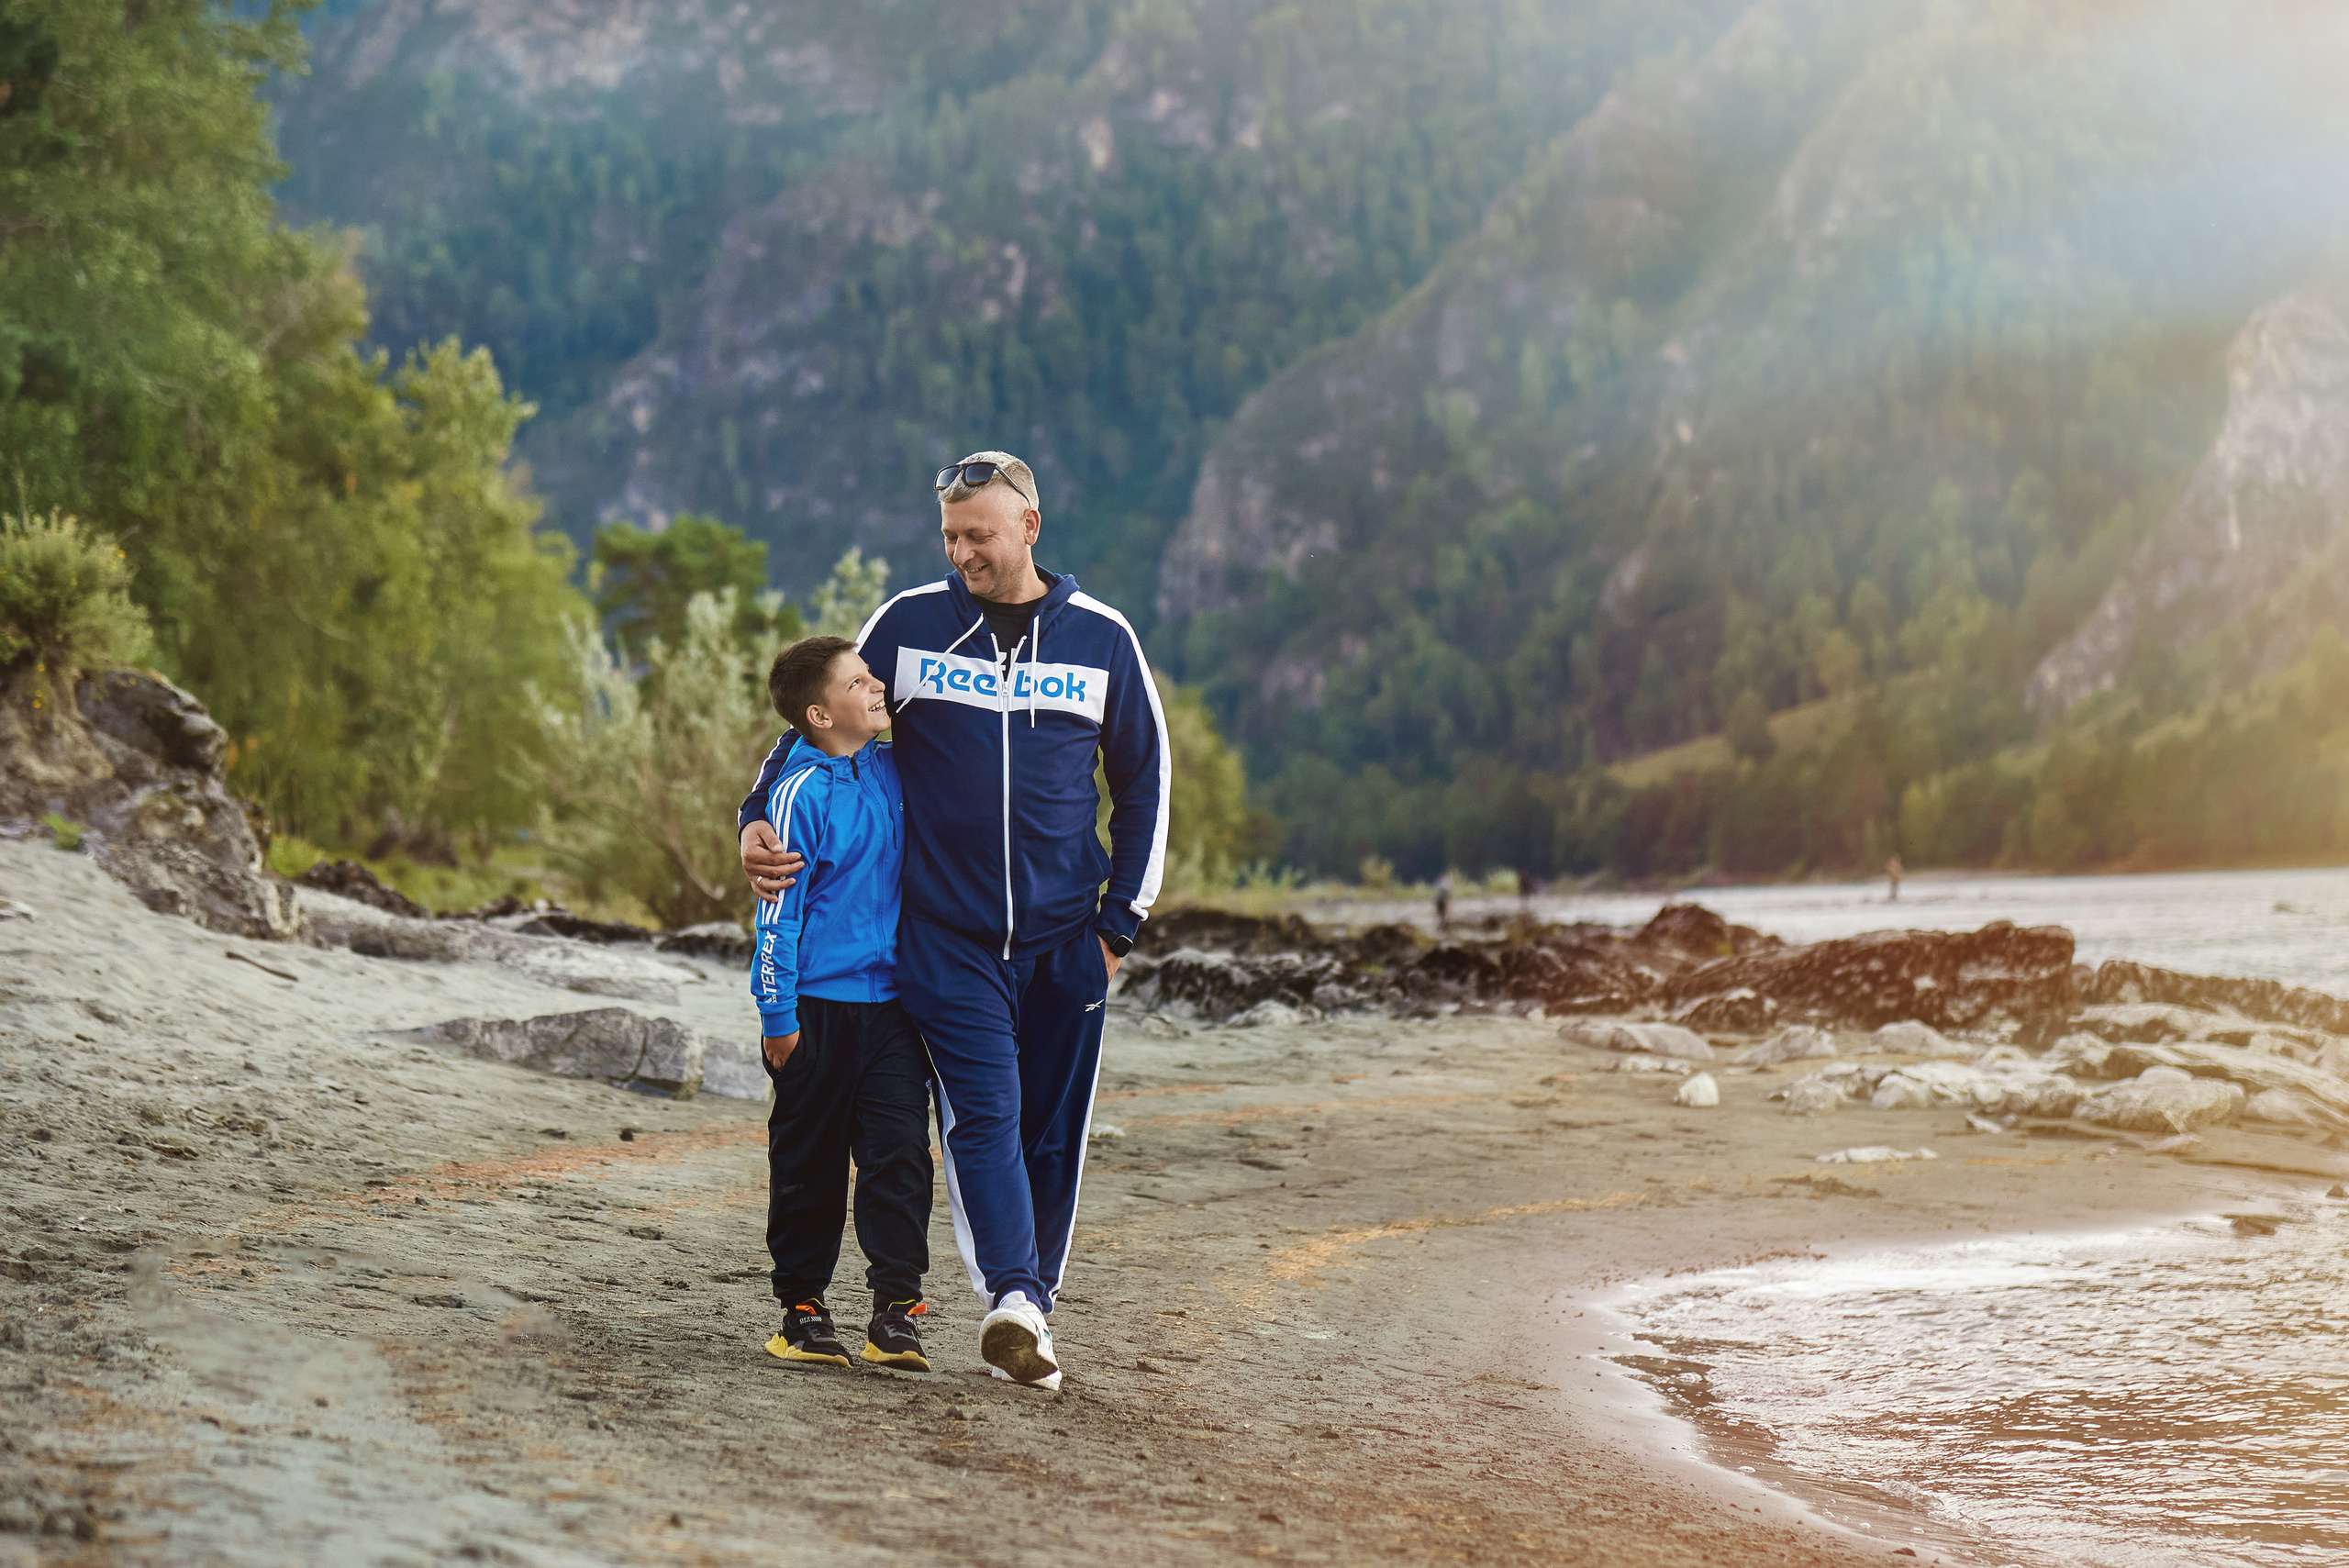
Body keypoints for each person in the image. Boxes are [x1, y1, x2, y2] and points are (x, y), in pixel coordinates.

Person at [739, 450, 1169, 1393]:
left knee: (1052, 1127)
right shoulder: (908, 623)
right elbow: (812, 725)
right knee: (985, 1112)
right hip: (945, 936)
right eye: (950, 535)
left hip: (1066, 940)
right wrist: (753, 817)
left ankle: (1031, 1307)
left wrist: (1117, 926)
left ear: (1029, 527)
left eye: (978, 533)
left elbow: (1145, 782)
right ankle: (1011, 1294)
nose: (963, 551)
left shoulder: (1101, 638)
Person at [750, 636, 933, 1373]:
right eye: (859, 682)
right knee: (809, 1161)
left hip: (892, 1009)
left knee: (899, 1155)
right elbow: (777, 916)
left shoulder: (894, 770)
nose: (877, 686)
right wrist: (778, 1016)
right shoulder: (799, 793)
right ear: (820, 715)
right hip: (814, 1011)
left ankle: (897, 1312)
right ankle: (802, 1309)